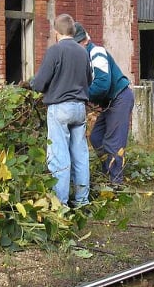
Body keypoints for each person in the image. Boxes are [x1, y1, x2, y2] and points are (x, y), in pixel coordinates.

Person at [30, 14, 93, 207]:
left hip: (60, 108)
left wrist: (32, 84)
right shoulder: (83, 52)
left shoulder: (55, 51)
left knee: (59, 156)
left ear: (56, 33)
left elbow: (40, 83)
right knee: (80, 154)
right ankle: (82, 200)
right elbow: (89, 79)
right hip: (79, 108)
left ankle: (61, 203)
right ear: (73, 32)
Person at [74, 23, 134, 184]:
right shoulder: (85, 57)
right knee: (96, 137)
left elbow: (102, 84)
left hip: (120, 98)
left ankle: (116, 183)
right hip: (109, 102)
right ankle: (108, 172)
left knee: (113, 142)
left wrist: (82, 96)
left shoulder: (96, 52)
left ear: (83, 41)